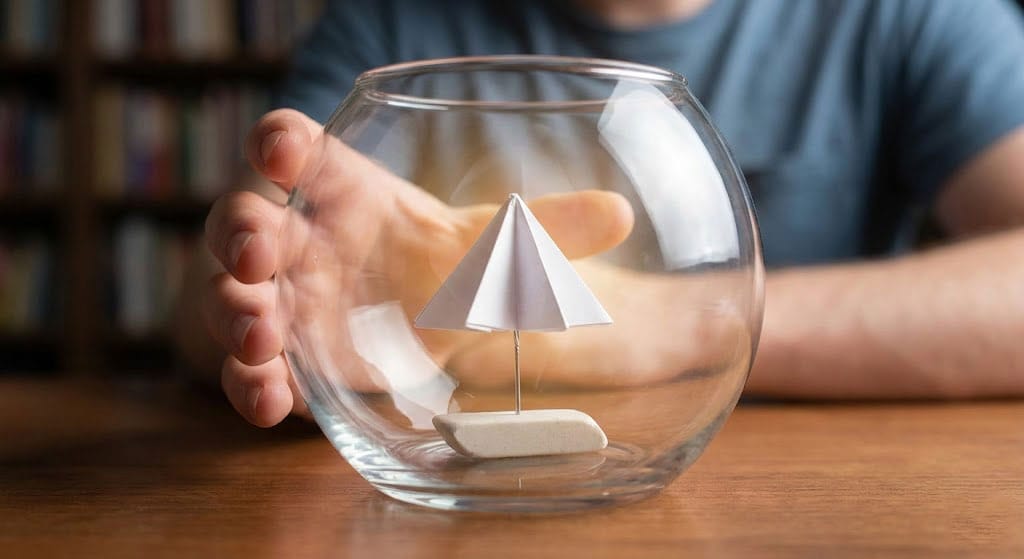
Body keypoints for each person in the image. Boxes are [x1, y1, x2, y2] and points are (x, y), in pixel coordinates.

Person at [178, 0, 1024, 427]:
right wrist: (268, 308)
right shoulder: (391, 21)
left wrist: (651, 324)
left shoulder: (911, 16)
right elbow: (223, 290)